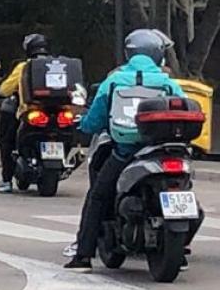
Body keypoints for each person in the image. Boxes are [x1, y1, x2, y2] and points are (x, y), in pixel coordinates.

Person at [64, 29, 191, 271]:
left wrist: (83, 124)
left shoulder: (113, 81)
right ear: (158, 55)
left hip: (124, 151)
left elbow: (94, 121)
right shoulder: (168, 83)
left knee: (99, 196)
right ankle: (181, 252)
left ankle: (83, 255)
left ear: (129, 54)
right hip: (163, 151)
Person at [0, 34, 51, 193]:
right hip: (57, 113)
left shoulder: (24, 67)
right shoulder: (56, 65)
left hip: (29, 111)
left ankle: (6, 179)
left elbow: (5, 89)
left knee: (7, 141)